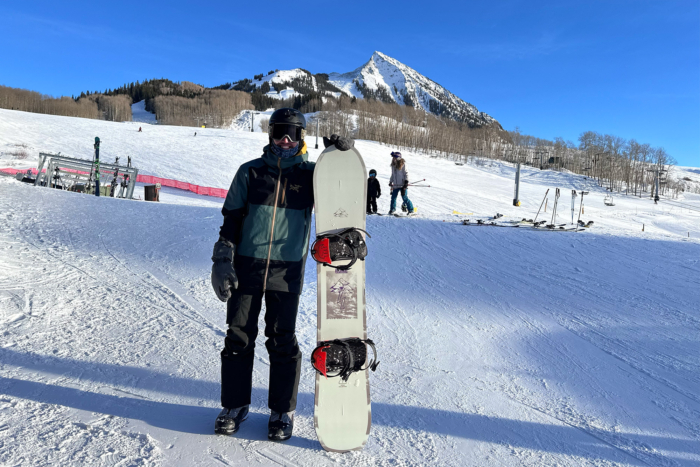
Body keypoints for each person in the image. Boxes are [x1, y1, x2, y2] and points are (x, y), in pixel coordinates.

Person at [211, 108, 353, 442]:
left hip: (287, 270)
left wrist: (340, 158)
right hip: (246, 266)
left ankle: (281, 411)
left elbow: (341, 194)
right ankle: (234, 406)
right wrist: (222, 257)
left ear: (302, 137)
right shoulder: (250, 173)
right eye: (279, 132)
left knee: (282, 339)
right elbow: (231, 218)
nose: (285, 139)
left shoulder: (310, 175)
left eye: (292, 132)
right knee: (238, 336)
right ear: (270, 134)